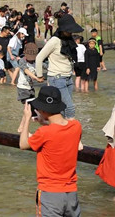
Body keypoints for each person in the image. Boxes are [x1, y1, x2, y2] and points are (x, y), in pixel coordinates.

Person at [19, 86, 82, 217]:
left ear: (42, 110)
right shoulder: (76, 126)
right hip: (71, 192)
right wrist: (45, 123)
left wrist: (26, 119)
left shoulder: (44, 133)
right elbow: (60, 133)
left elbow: (23, 144)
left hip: (50, 193)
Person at [35, 14, 84, 121]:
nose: (70, 33)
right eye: (68, 30)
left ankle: (61, 131)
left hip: (68, 78)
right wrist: (39, 75)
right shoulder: (54, 41)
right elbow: (39, 57)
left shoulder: (69, 40)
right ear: (62, 29)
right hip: (57, 78)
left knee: (63, 108)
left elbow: (71, 59)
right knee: (70, 108)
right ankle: (73, 133)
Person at [16, 42, 41, 121]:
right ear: (24, 52)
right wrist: (36, 78)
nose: (31, 59)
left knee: (30, 106)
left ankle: (22, 127)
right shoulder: (22, 61)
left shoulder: (37, 61)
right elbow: (26, 70)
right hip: (22, 87)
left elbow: (45, 66)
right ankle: (24, 126)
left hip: (30, 87)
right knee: (28, 107)